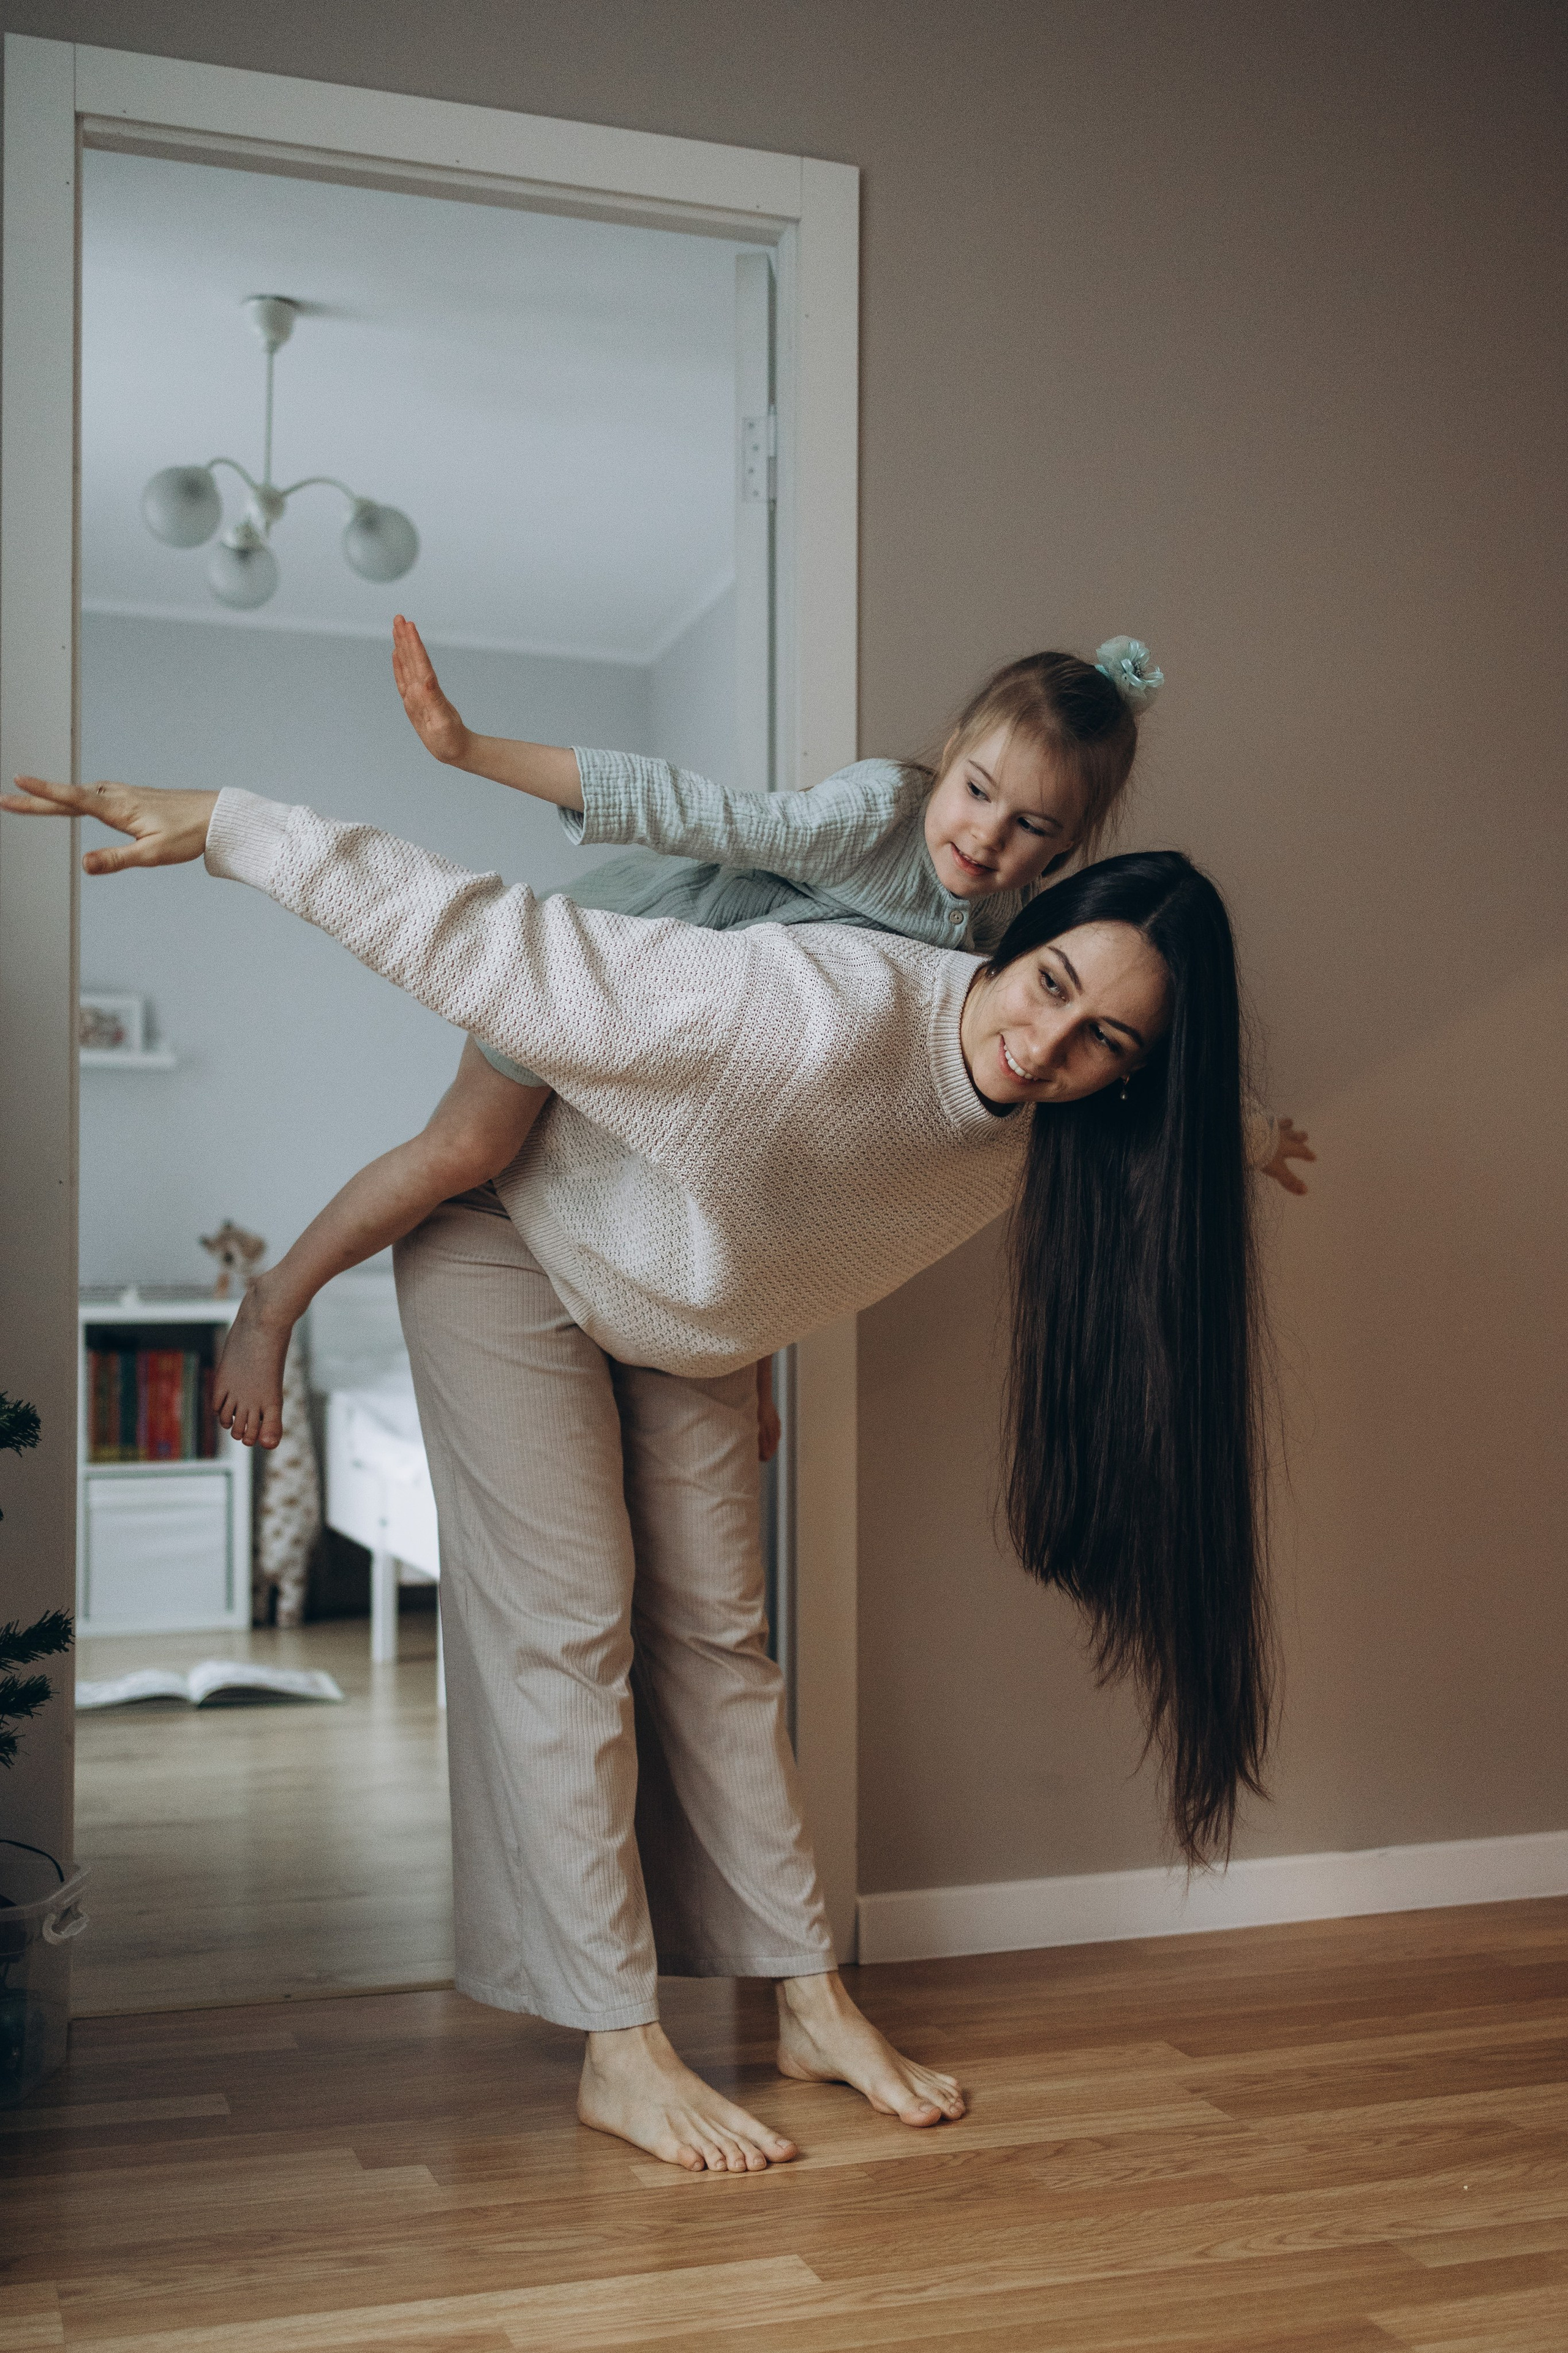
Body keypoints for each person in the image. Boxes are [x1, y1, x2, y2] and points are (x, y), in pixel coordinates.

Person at [5, 769, 1273, 2175]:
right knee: (570, 1626)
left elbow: (839, 1191)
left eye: (1101, 1042)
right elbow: (501, 939)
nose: (1043, 1047)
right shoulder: (809, 1004)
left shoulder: (1042, 1141)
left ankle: (806, 1997)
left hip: (678, 1309)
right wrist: (247, 832)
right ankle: (617, 2045)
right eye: (1044, 985)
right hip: (513, 1234)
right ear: (1014, 938)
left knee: (724, 1642)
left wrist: (1247, 1133)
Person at [200, 622, 1311, 1452]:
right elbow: (706, 812)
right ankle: (277, 1298)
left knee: (802, 1168)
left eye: (1034, 829)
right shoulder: (875, 813)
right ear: (951, 750)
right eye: (977, 791)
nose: (986, 836)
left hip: (718, 1083)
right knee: (464, 1152)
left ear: (1067, 853)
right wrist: (470, 748)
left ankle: (745, 1353)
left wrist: (1251, 1138)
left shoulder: (1010, 946)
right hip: (631, 964)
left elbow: (1136, 1056)